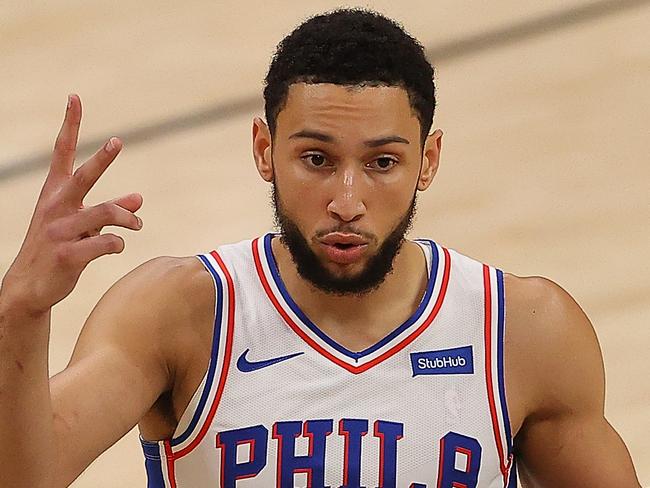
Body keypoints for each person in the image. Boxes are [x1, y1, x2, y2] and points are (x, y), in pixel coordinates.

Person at [0, 8, 641, 488]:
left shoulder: (521, 330)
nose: (347, 199)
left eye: (383, 162)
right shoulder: (178, 314)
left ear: (429, 159)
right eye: (316, 159)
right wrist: (21, 313)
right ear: (262, 150)